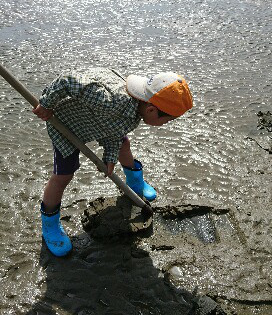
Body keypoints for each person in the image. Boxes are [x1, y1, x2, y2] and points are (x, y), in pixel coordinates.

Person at [32, 69, 193, 257]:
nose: (165, 125)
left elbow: (114, 130)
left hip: (94, 121)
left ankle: (135, 183)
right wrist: (47, 104)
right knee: (63, 175)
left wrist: (110, 157)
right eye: (167, 121)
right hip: (65, 125)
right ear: (151, 109)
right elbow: (68, 81)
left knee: (123, 144)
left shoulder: (134, 110)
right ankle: (50, 226)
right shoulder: (111, 101)